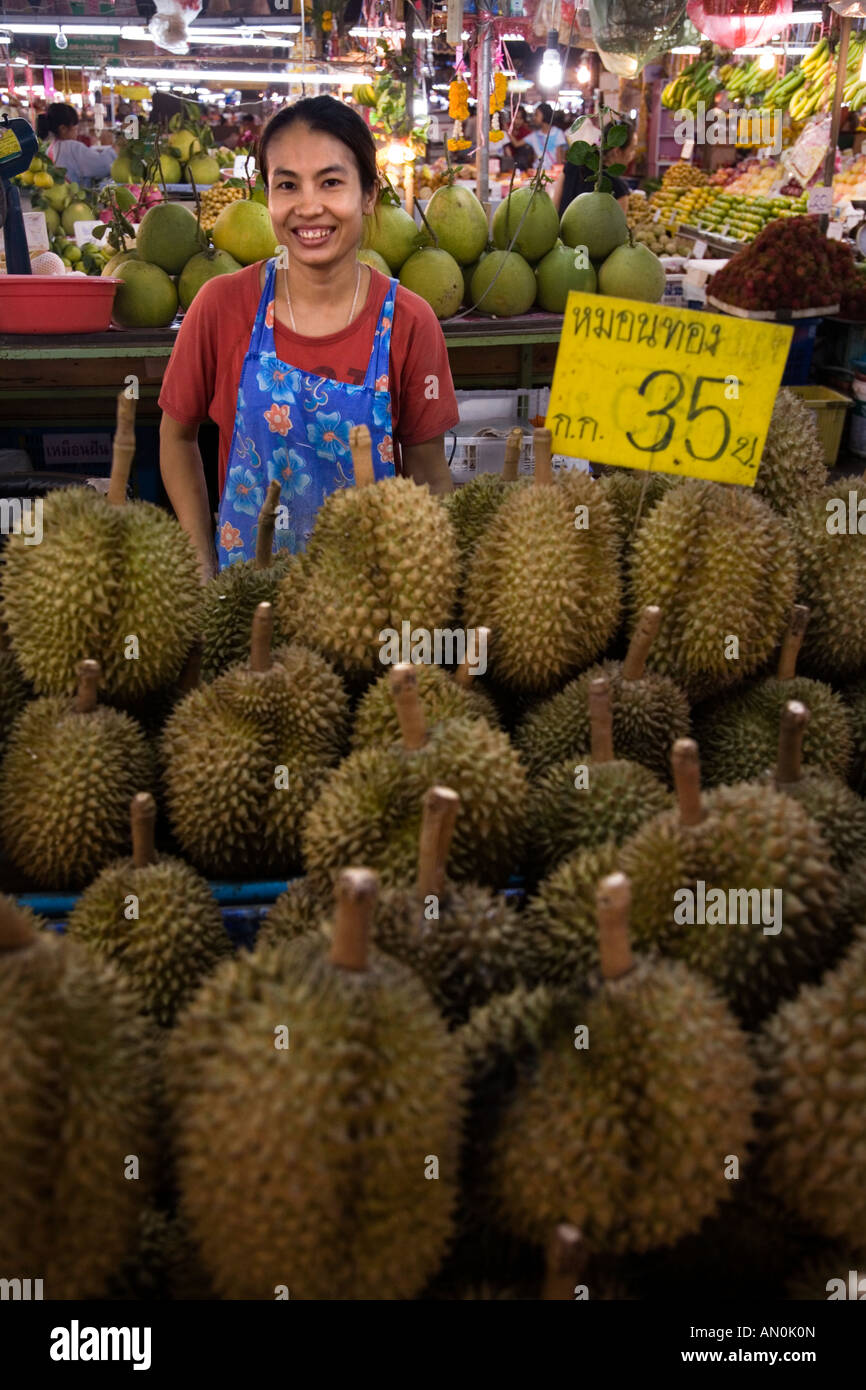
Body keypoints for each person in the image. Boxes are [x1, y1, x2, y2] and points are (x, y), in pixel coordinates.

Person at [159, 94, 459, 580]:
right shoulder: (220, 307)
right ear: (268, 198)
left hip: (371, 601)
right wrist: (199, 563)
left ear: (368, 194)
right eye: (287, 185)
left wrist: (439, 583)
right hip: (246, 596)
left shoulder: (409, 320)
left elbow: (427, 471)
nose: (309, 207)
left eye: (331, 182)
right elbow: (175, 437)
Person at [551, 122, 633, 214]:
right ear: (617, 151)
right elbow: (616, 227)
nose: (633, 155)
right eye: (632, 149)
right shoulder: (619, 189)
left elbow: (554, 207)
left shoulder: (574, 163)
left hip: (561, 228)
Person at [35, 103, 116, 185]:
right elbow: (102, 165)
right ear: (63, 129)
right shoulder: (72, 147)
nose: (77, 133)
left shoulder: (51, 147)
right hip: (77, 196)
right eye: (75, 129)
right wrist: (115, 149)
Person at [509, 102, 568, 172]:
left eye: (536, 114)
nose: (534, 117)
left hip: (552, 173)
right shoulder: (535, 135)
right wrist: (507, 129)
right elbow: (516, 144)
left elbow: (559, 158)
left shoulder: (558, 133)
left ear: (544, 115)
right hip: (537, 173)